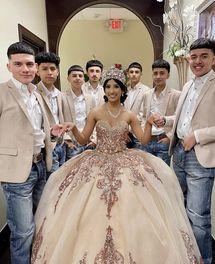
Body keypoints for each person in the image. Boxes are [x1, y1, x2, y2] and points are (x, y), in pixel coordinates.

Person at [31, 66, 201, 263]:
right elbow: (84, 139)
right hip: (97, 160)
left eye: (116, 87)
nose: (112, 91)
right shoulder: (95, 112)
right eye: (108, 86)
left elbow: (144, 140)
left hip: (124, 159)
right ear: (104, 90)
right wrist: (73, 128)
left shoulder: (129, 114)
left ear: (122, 90)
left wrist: (148, 124)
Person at [168, 38, 215, 264]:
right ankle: (185, 256)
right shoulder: (187, 85)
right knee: (178, 207)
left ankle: (204, 259)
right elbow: (185, 119)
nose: (197, 61)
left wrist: (197, 137)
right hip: (178, 153)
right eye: (194, 56)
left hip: (201, 158)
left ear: (214, 58)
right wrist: (166, 120)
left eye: (204, 56)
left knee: (198, 218)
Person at [0, 42, 63, 264]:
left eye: (29, 64)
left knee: (45, 220)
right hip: (17, 174)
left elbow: (37, 131)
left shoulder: (36, 93)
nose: (25, 69)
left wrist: (53, 135)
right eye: (18, 64)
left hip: (41, 166)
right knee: (23, 231)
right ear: (9, 66)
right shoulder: (1, 92)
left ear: (35, 67)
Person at [142, 59, 181, 165]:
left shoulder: (176, 95)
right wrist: (143, 134)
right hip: (148, 140)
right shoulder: (146, 94)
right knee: (147, 174)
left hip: (163, 140)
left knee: (162, 176)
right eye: (155, 73)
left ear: (168, 75)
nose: (158, 76)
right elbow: (144, 117)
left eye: (162, 73)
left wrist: (169, 137)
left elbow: (179, 118)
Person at [35, 51, 66, 176]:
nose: (49, 72)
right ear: (37, 71)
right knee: (50, 184)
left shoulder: (60, 94)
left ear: (57, 72)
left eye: (53, 69)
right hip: (46, 148)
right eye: (45, 69)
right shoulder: (34, 93)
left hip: (61, 145)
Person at [62, 64, 96, 160]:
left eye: (80, 76)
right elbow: (60, 119)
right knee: (73, 173)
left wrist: (94, 139)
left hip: (88, 143)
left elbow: (96, 120)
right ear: (68, 78)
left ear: (83, 79)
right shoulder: (62, 97)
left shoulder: (90, 98)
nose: (77, 78)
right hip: (72, 144)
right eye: (74, 76)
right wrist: (67, 141)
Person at [124, 62, 150, 148]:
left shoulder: (147, 91)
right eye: (131, 72)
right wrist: (124, 131)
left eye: (136, 72)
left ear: (141, 74)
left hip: (139, 134)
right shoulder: (124, 91)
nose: (134, 74)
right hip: (124, 135)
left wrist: (131, 130)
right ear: (128, 74)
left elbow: (144, 114)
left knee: (139, 160)